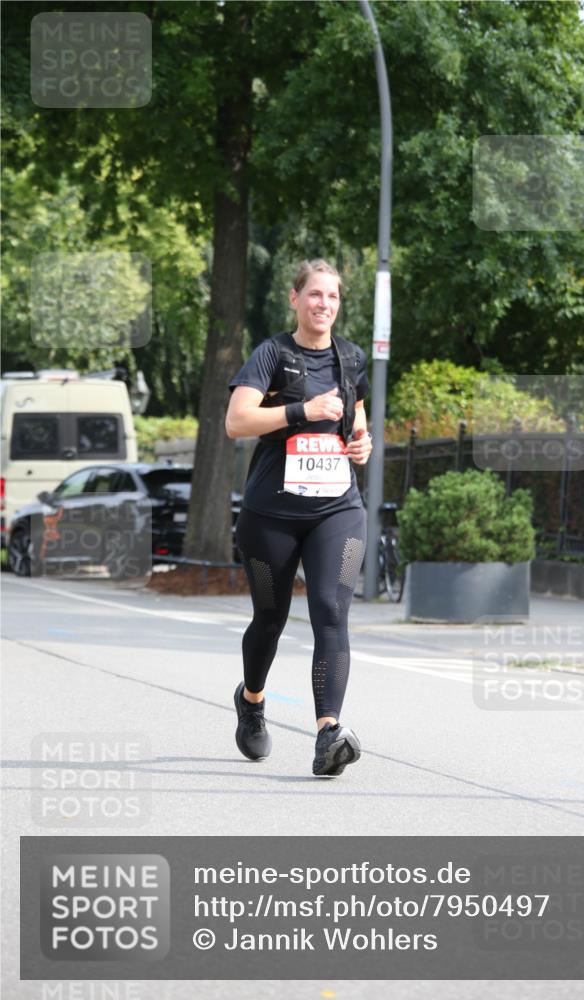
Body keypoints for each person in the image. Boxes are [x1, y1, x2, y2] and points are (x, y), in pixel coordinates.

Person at [225, 259, 372, 776]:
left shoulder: (350, 359)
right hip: (272, 515)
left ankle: (327, 733)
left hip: (337, 509)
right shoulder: (273, 355)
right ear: (295, 298)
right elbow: (236, 421)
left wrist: (362, 443)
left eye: (332, 297)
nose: (324, 305)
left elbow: (354, 415)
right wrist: (299, 412)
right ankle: (252, 699)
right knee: (271, 619)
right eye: (314, 295)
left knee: (331, 611)